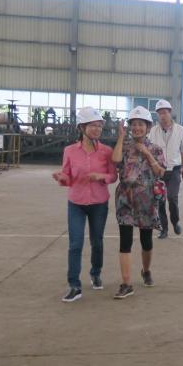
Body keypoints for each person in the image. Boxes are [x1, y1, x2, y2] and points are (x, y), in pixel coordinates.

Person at [52, 106, 117, 303]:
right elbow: (67, 176)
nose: (97, 129)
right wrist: (61, 178)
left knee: (97, 241)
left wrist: (101, 176)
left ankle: (96, 273)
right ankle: (74, 285)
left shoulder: (106, 152)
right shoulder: (70, 151)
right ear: (82, 128)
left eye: (99, 126)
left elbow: (113, 176)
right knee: (75, 244)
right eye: (92, 126)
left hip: (99, 203)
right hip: (77, 203)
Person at [112, 106, 167, 299]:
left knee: (146, 241)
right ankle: (127, 284)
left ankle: (146, 270)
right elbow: (115, 160)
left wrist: (147, 153)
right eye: (133, 124)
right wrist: (121, 138)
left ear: (148, 127)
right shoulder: (125, 147)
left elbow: (161, 172)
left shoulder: (156, 149)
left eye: (140, 124)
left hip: (147, 200)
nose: (136, 128)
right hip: (125, 200)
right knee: (125, 241)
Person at [148, 99, 183, 239]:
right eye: (160, 113)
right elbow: (149, 149)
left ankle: (175, 221)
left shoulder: (180, 130)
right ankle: (163, 229)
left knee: (172, 197)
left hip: (174, 169)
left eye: (165, 112)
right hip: (158, 170)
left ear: (170, 113)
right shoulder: (153, 131)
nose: (163, 116)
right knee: (160, 200)